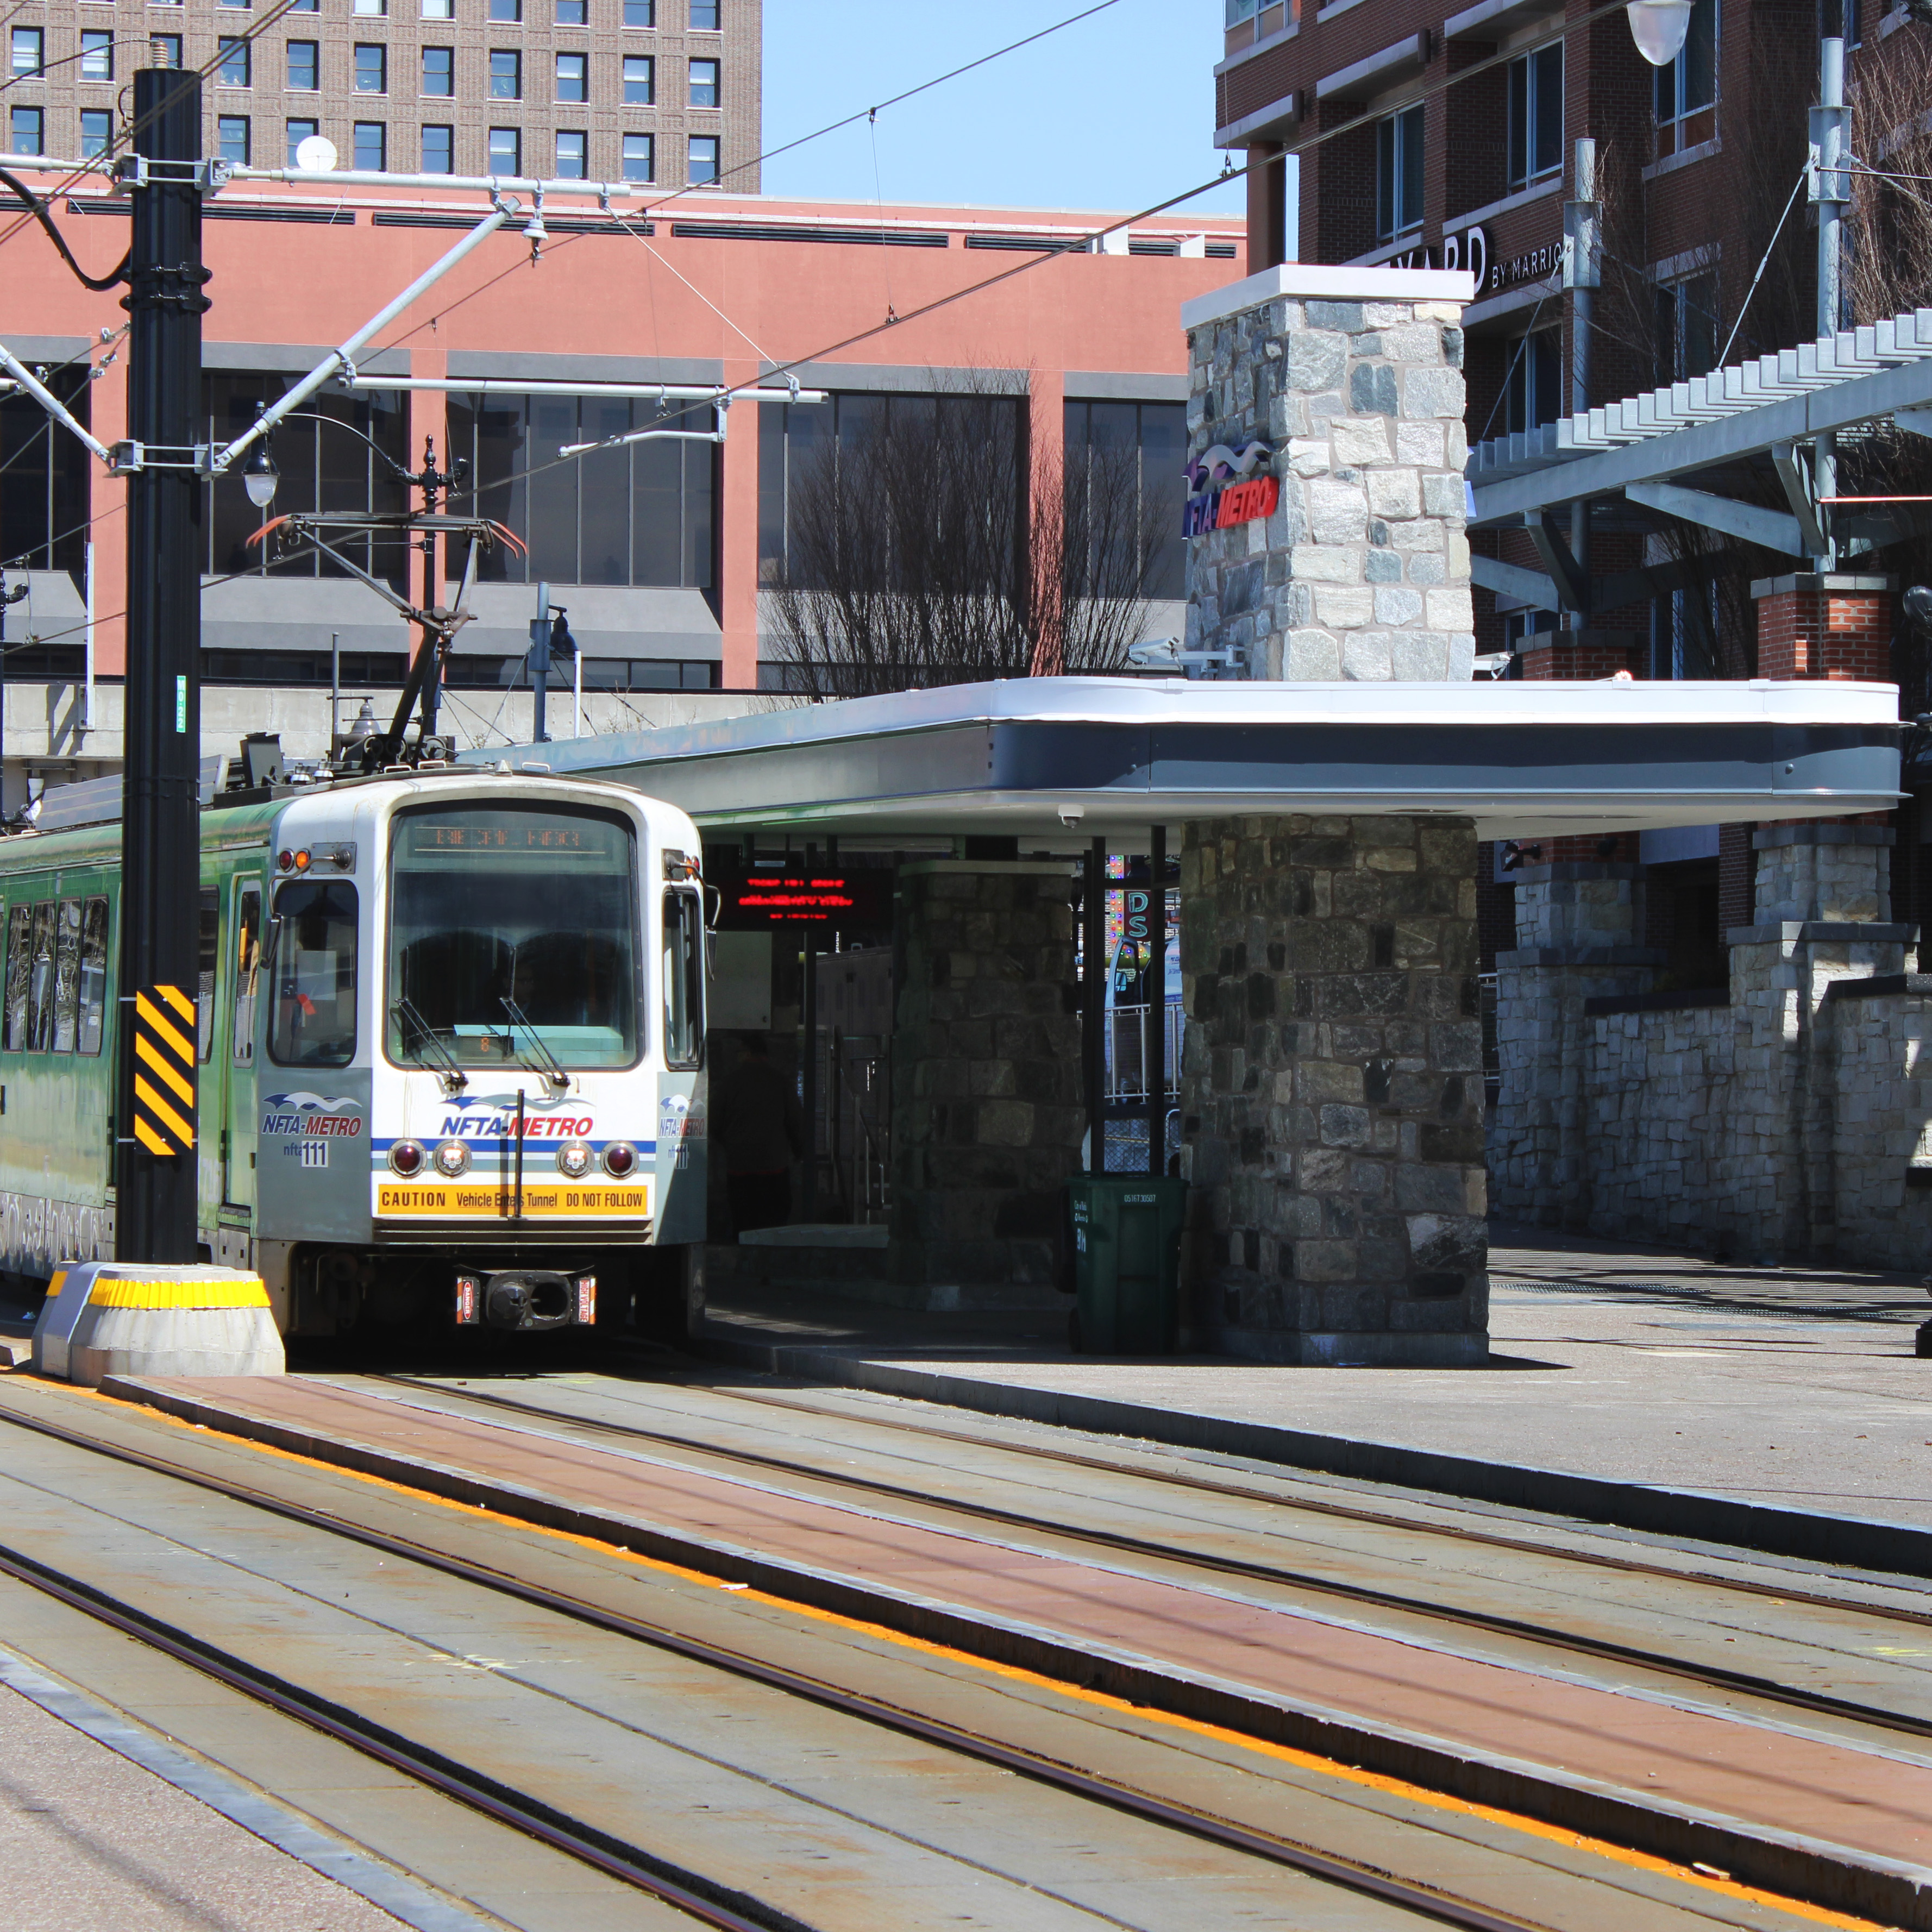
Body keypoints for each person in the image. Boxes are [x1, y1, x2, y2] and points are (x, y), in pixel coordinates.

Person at [712, 1033, 806, 1236]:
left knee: (743, 1223)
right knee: (773, 1224)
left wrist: (731, 1144)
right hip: (774, 1168)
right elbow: (796, 1122)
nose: (737, 1057)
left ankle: (744, 1261)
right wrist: (799, 1151)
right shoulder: (781, 1082)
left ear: (747, 1053)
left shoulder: (730, 1083)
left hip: (740, 1167)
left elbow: (714, 1123)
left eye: (739, 1052)